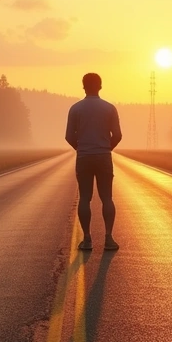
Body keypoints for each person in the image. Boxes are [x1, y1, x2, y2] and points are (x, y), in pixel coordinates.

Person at [65, 72, 123, 251]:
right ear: (100, 86)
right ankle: (108, 238)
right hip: (103, 156)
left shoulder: (76, 109)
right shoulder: (109, 108)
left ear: (83, 86)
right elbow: (118, 135)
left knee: (84, 198)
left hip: (84, 157)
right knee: (107, 198)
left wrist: (82, 149)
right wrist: (106, 148)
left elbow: (68, 136)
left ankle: (87, 239)